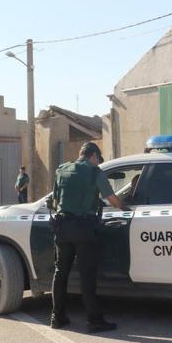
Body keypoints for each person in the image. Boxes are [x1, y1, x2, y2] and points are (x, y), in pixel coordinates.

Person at [47, 142, 126, 333]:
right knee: (87, 275)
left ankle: (57, 317)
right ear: (93, 156)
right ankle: (95, 321)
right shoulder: (94, 172)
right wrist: (125, 207)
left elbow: (56, 200)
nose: (98, 162)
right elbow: (113, 200)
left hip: (63, 227)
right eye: (98, 159)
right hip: (83, 228)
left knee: (60, 273)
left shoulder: (62, 170)